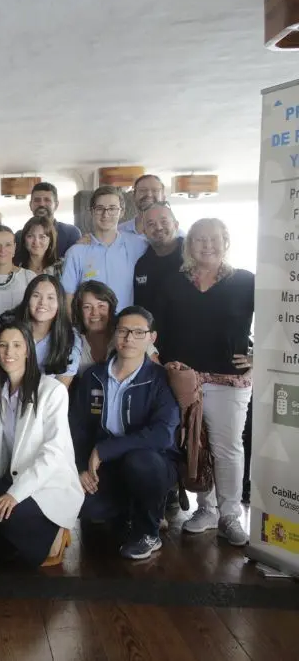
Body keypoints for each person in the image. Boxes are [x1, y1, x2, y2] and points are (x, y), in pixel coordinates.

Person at [153, 218, 254, 546]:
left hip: (229, 378)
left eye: (213, 238)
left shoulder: (246, 281)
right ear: (189, 245)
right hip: (183, 378)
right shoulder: (172, 282)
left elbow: (279, 320)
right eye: (199, 239)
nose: (206, 244)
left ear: (226, 241)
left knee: (227, 447)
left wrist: (260, 356)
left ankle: (230, 515)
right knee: (195, 445)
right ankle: (206, 509)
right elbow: (157, 328)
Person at [0, 321, 83, 568]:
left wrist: (15, 494)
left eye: (16, 345)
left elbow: (53, 453)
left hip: (50, 481)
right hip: (16, 473)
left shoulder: (52, 391)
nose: (9, 352)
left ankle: (55, 535)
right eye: (3, 346)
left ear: (28, 351)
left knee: (11, 518)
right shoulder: (0, 391)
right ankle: (25, 540)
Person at [71, 307, 179, 560]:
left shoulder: (159, 378)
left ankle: (148, 532)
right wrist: (79, 468)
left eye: (138, 332)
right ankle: (128, 510)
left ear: (151, 338)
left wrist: (105, 450)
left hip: (153, 462)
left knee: (140, 462)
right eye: (123, 331)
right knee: (88, 509)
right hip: (104, 466)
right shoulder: (93, 377)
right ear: (114, 334)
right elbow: (77, 427)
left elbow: (163, 435)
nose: (129, 338)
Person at [61, 185, 148, 312]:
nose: (105, 214)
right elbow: (68, 297)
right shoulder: (76, 253)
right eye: (99, 208)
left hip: (125, 328)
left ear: (122, 211)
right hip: (88, 330)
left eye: (112, 208)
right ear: (91, 211)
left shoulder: (139, 245)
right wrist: (75, 331)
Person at [12, 275, 81, 387]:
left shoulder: (70, 337)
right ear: (27, 299)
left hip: (49, 401)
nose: (42, 303)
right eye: (36, 296)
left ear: (60, 303)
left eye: (50, 298)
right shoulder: (12, 330)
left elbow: (60, 389)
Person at [133, 202, 184, 316]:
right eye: (151, 224)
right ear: (144, 232)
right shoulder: (142, 265)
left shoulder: (193, 257)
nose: (159, 227)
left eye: (164, 222)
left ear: (176, 225)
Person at [21, 181, 81, 259]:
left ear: (56, 205)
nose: (41, 204)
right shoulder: (19, 237)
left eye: (47, 200)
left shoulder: (71, 233)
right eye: (37, 200)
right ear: (30, 205)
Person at [72, 281, 119, 376]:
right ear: (79, 312)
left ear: (111, 309)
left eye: (101, 306)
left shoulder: (128, 335)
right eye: (87, 307)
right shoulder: (73, 340)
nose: (95, 313)